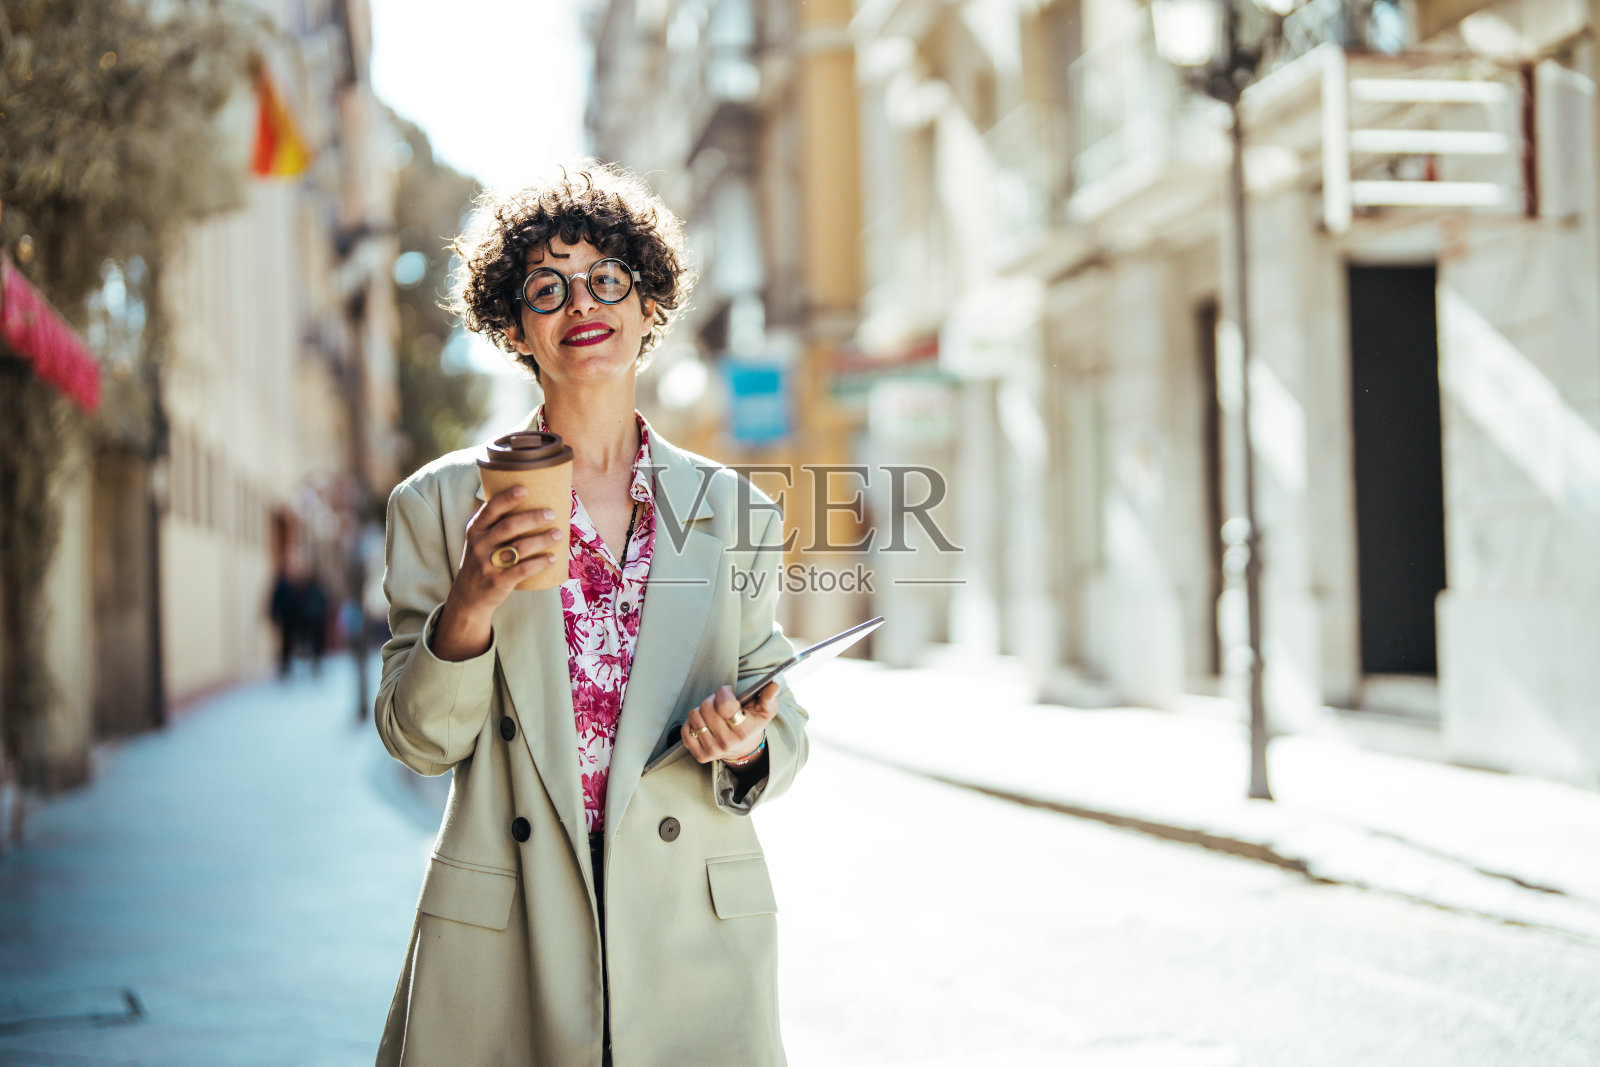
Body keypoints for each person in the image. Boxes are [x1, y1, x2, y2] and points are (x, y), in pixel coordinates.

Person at [373, 163, 808, 1067]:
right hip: (512, 935)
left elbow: (781, 707)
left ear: (650, 307)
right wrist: (472, 596)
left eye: (610, 276)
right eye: (548, 285)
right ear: (514, 324)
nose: (584, 300)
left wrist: (748, 739)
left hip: (691, 931)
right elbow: (418, 741)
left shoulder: (736, 513)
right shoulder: (437, 504)